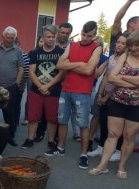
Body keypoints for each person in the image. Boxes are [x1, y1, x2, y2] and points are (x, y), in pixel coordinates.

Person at [47, 21, 102, 170]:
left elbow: (88, 70)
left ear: (94, 35)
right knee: (62, 120)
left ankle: (83, 155)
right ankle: (60, 148)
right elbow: (59, 64)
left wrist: (70, 64)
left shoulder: (97, 47)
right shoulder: (72, 45)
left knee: (83, 124)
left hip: (83, 92)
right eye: (83, 34)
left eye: (89, 36)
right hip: (66, 89)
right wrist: (80, 64)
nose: (85, 38)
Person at [88, 31, 139, 178]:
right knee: (112, 134)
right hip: (117, 102)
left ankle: (121, 167)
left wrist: (122, 76)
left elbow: (117, 77)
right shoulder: (124, 56)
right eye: (131, 45)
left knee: (129, 137)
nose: (133, 48)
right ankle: (102, 165)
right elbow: (111, 78)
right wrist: (133, 82)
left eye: (136, 45)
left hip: (136, 106)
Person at [21, 25, 64, 150]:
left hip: (54, 90)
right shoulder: (35, 53)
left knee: (52, 118)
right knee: (33, 117)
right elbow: (31, 72)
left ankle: (51, 141)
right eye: (48, 37)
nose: (51, 39)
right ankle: (30, 139)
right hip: (36, 90)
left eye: (53, 37)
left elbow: (62, 73)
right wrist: (41, 86)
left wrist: (48, 86)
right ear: (43, 38)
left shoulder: (61, 53)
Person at [88, 34, 129, 161]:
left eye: (123, 43)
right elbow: (106, 77)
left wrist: (106, 97)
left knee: (116, 126)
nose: (119, 45)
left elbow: (117, 81)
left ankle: (117, 150)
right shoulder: (112, 57)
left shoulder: (126, 60)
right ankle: (101, 147)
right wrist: (100, 94)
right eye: (118, 42)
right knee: (103, 121)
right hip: (105, 93)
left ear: (127, 46)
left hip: (115, 96)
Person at [0, 26, 24, 147]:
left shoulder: (18, 51)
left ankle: (9, 136)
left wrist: (17, 83)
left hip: (10, 86)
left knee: (9, 114)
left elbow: (21, 68)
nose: (10, 41)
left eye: (12, 38)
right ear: (3, 37)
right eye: (8, 38)